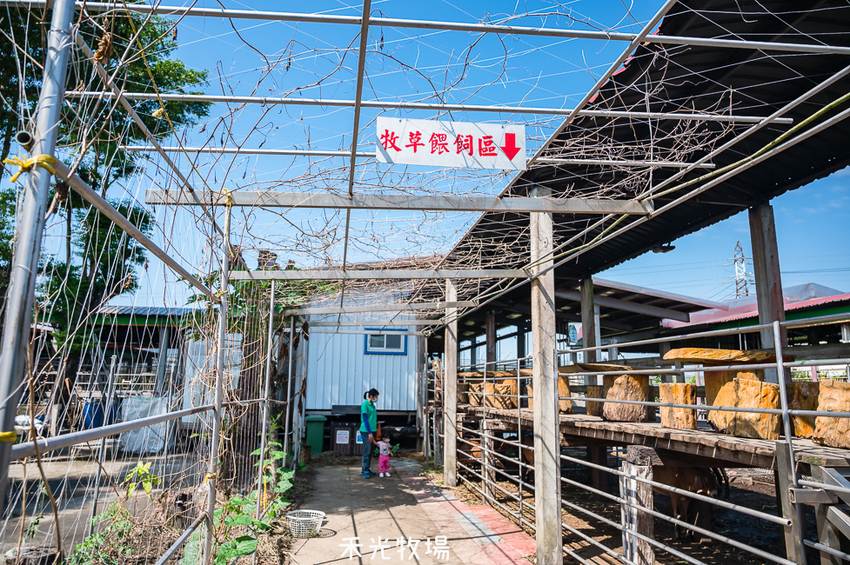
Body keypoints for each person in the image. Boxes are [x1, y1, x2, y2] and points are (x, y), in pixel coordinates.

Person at [360, 388, 379, 478]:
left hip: (373, 429)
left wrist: (376, 423)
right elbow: (365, 419)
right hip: (366, 431)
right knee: (367, 450)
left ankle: (367, 468)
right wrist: (369, 433)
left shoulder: (372, 405)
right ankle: (364, 471)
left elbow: (371, 418)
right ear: (371, 396)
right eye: (375, 397)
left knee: (370, 451)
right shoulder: (365, 404)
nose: (376, 398)